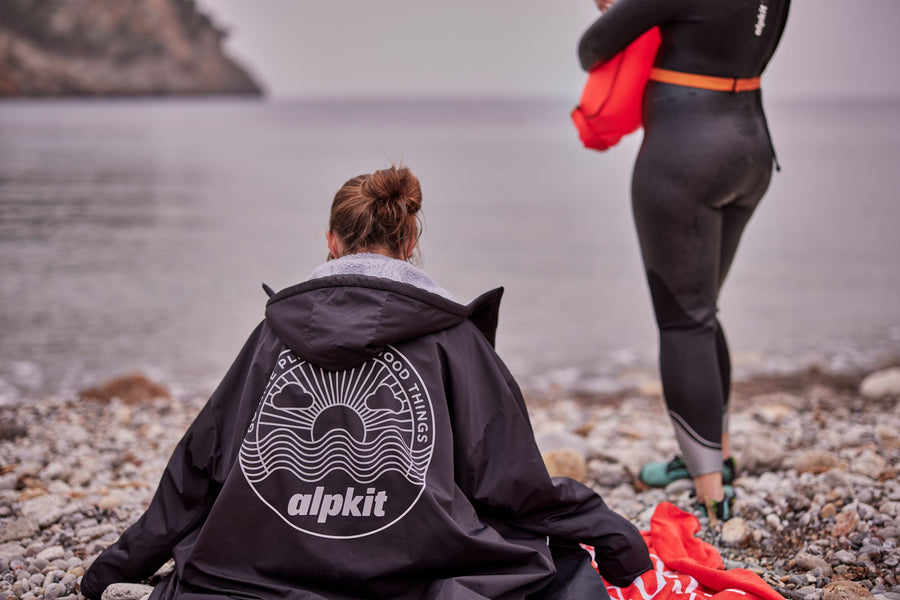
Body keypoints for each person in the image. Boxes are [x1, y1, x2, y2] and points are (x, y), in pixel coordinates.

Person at [80, 165, 651, 600]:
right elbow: (512, 484)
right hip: (419, 576)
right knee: (552, 565)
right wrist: (615, 538)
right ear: (409, 246)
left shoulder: (270, 339)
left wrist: (113, 569)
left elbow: (197, 472)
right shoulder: (451, 338)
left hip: (265, 574)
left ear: (329, 241)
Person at [578, 0, 790, 520]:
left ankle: (711, 493)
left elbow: (593, 47)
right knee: (703, 311)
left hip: (686, 157)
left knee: (683, 320)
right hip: (750, 149)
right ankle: (715, 457)